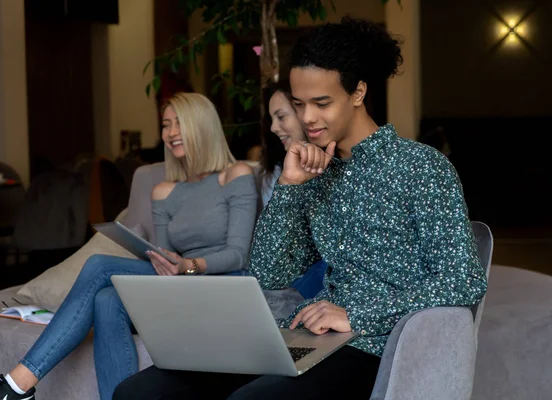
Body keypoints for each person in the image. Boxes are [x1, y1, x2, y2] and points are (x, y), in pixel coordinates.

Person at [113, 17, 487, 400]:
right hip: (309, 337)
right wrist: (290, 187)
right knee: (141, 391)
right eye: (299, 104)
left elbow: (463, 278)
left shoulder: (420, 167)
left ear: (358, 92)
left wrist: (354, 315)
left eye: (321, 103)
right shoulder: (314, 172)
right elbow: (268, 273)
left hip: (377, 346)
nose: (306, 118)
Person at [0, 93, 258, 400]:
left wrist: (191, 265)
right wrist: (167, 263)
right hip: (180, 285)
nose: (171, 132)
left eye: (180, 123)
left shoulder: (236, 175)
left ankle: (17, 384)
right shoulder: (164, 191)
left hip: (226, 284)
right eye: (166, 124)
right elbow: (165, 262)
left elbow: (239, 254)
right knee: (107, 300)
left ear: (203, 125)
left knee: (100, 264)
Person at [260, 79, 328, 299]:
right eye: (271, 119)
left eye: (281, 117)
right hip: (290, 273)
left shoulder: (338, 164)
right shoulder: (277, 174)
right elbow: (274, 252)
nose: (273, 127)